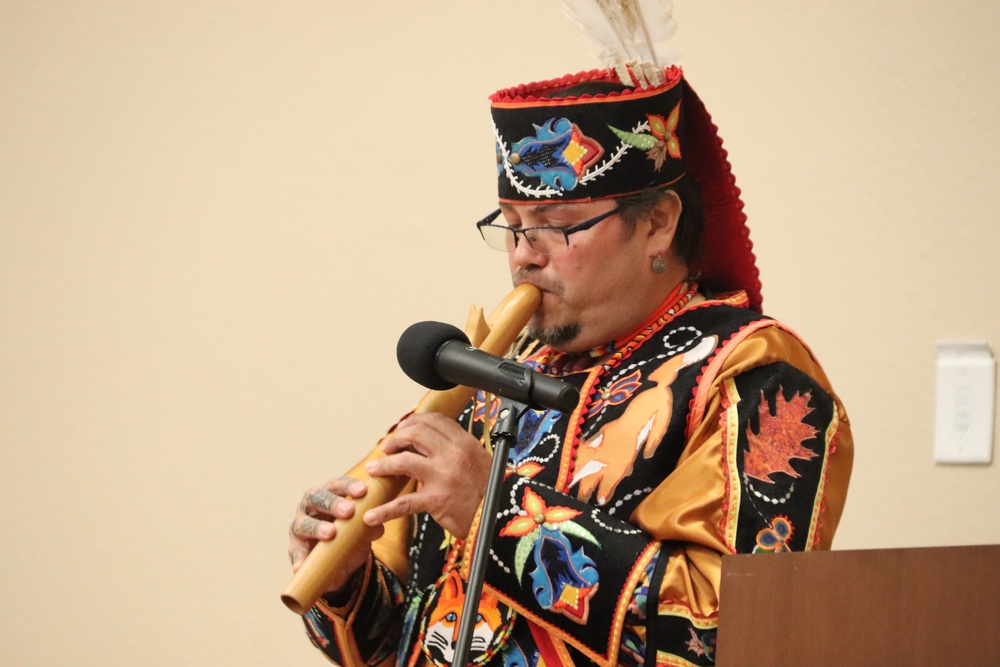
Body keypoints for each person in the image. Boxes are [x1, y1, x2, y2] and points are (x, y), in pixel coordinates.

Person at [287, 38, 853, 667]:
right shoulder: (491, 373)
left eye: (558, 224)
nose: (526, 254)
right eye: (513, 225)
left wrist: (494, 512)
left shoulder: (754, 374)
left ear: (659, 223)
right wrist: (345, 585)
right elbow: (402, 640)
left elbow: (734, 632)